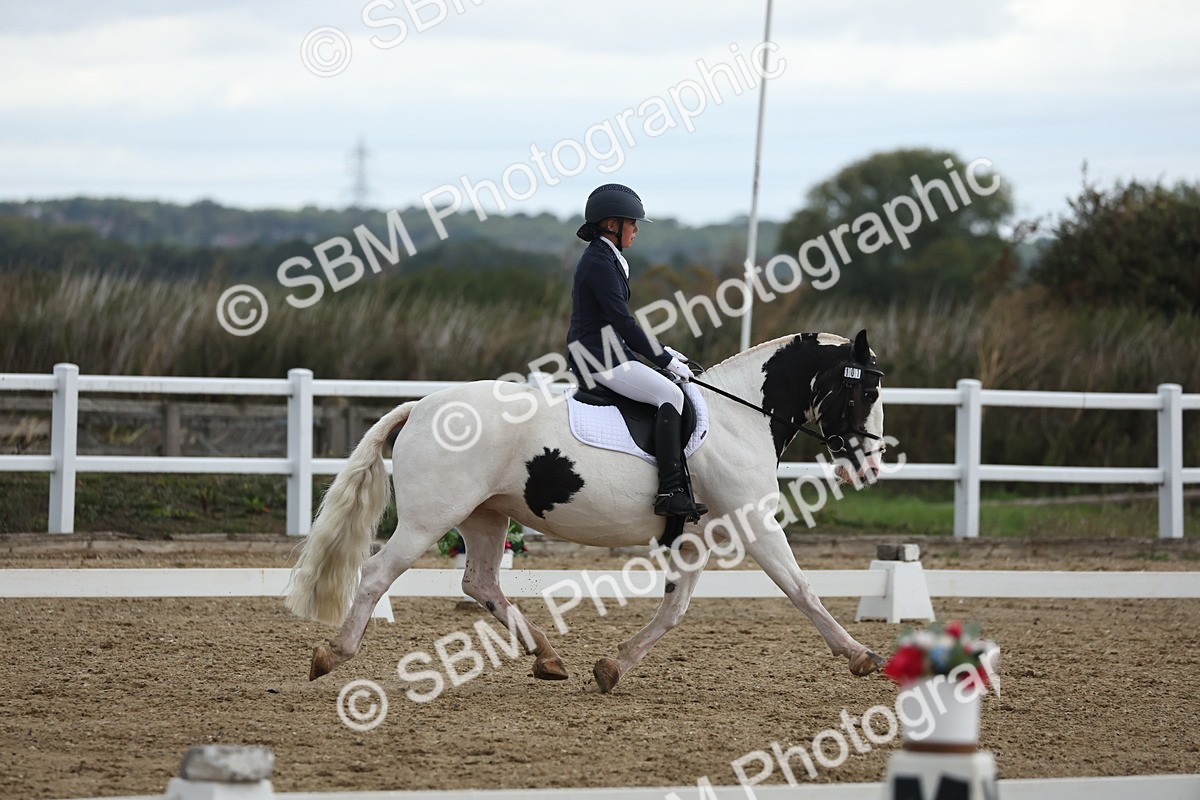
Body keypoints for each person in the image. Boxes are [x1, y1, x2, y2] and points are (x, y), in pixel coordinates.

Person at [566, 183, 707, 520]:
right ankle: (670, 490)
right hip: (596, 357)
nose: (636, 230)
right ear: (611, 225)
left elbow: (618, 328)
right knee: (670, 395)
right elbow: (624, 322)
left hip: (609, 350)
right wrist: (666, 361)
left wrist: (666, 351)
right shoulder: (599, 262)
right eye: (632, 223)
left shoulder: (608, 258)